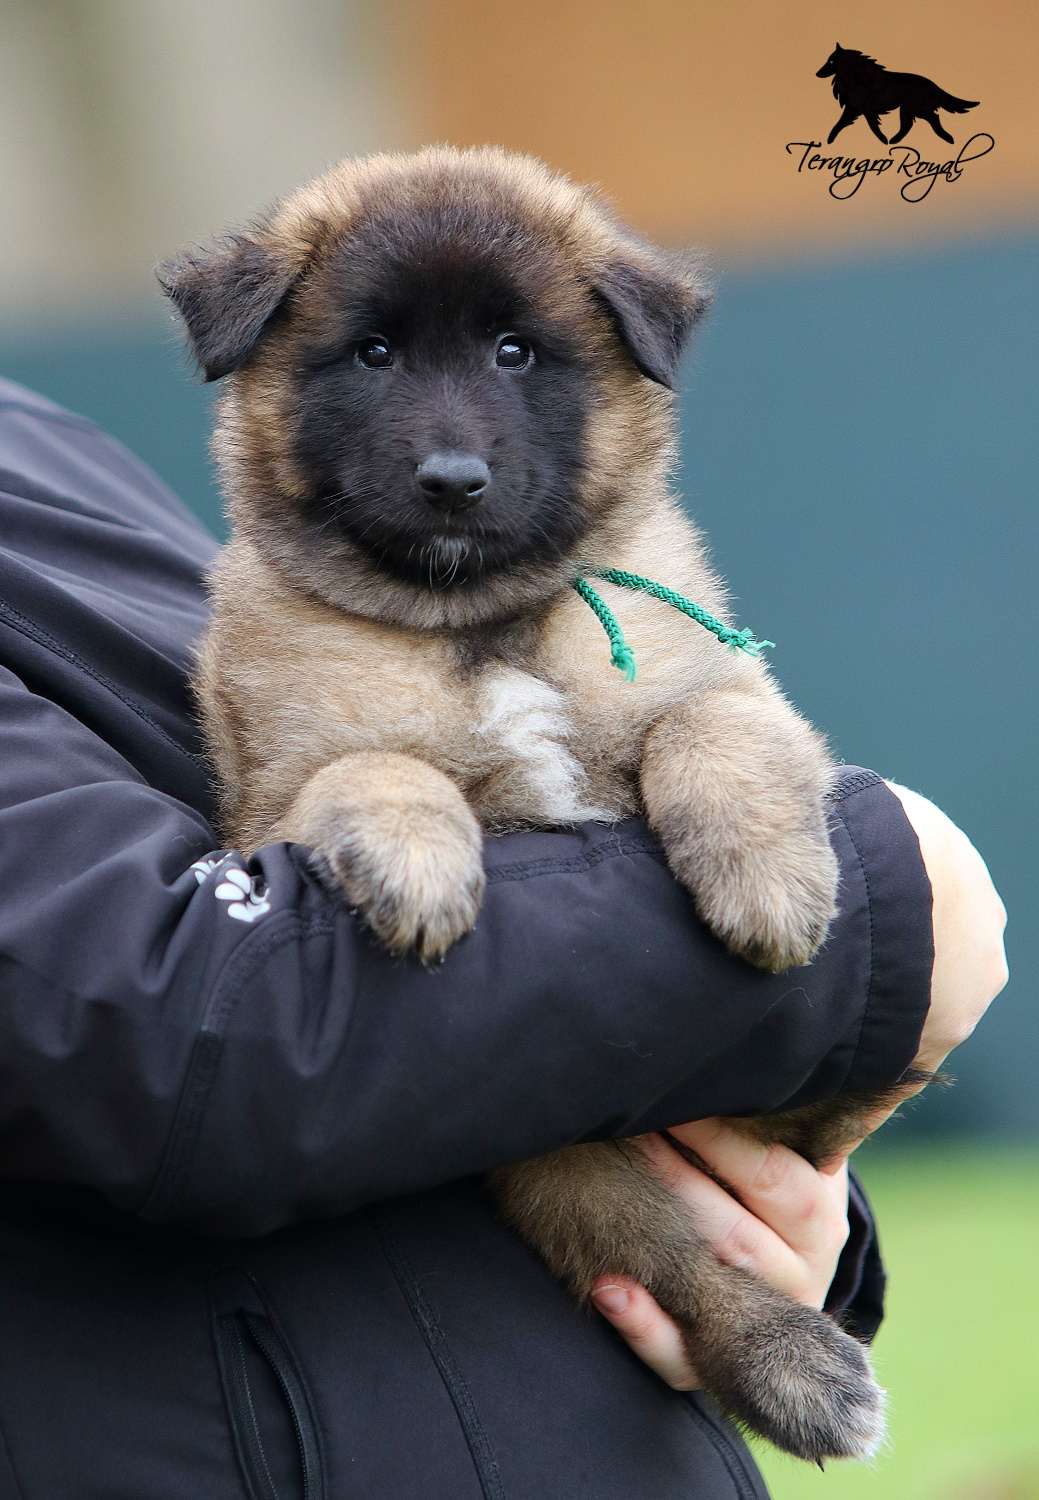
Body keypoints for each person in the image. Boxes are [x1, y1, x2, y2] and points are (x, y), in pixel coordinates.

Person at [0, 376, 1005, 1499]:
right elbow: (150, 1014)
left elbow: (492, 1005)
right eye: (370, 355)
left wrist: (766, 1185)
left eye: (522, 356)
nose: (450, 444)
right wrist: (881, 915)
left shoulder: (43, 439)